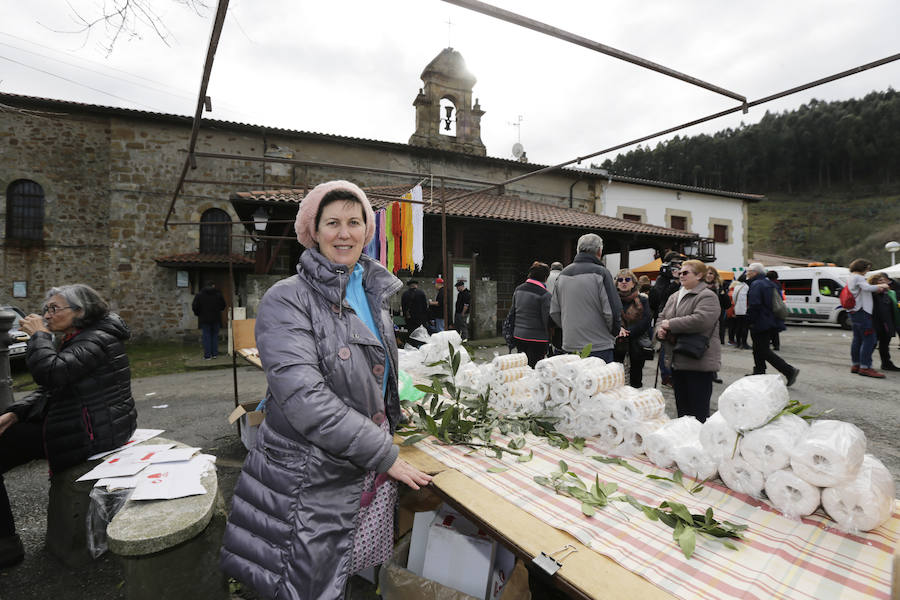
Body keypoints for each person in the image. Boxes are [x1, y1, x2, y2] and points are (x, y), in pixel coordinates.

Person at [220, 181, 432, 598]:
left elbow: (377, 365)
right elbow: (305, 398)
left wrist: (391, 408)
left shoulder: (373, 293)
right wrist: (383, 450)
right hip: (308, 475)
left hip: (361, 465)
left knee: (349, 577)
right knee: (305, 582)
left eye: (355, 222)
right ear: (312, 231)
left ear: (367, 232)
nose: (344, 233)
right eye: (332, 222)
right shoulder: (288, 299)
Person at [0, 284, 137, 567]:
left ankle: (6, 545)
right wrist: (15, 413)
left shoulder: (96, 339)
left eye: (54, 308)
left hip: (94, 430)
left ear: (81, 311)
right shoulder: (81, 336)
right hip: (82, 419)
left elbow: (52, 374)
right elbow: (57, 389)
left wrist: (39, 336)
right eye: (45, 309)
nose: (47, 314)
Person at [655, 260, 721, 422]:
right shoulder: (675, 295)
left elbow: (701, 320)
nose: (680, 275)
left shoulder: (707, 295)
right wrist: (660, 331)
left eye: (685, 272)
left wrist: (671, 324)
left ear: (699, 275)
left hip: (698, 362)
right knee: (682, 412)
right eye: (679, 272)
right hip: (677, 361)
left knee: (698, 413)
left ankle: (699, 445)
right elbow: (661, 317)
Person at [550, 233, 622, 362]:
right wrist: (613, 333)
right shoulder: (602, 273)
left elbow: (554, 311)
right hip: (599, 346)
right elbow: (611, 312)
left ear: (578, 250)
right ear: (599, 251)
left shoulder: (562, 275)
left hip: (570, 344)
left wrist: (569, 328)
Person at [745, 263, 800, 385]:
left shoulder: (756, 284)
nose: (746, 273)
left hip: (760, 320)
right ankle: (759, 371)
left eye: (748, 271)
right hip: (769, 320)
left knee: (763, 350)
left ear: (754, 272)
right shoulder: (768, 283)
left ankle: (789, 371)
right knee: (758, 348)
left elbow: (755, 305)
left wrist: (749, 320)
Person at [845, 258, 891, 378]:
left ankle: (856, 364)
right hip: (862, 311)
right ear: (863, 267)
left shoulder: (850, 277)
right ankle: (865, 367)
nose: (868, 271)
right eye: (868, 268)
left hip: (853, 311)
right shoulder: (858, 277)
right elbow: (867, 288)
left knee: (857, 339)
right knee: (869, 338)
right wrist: (882, 285)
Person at [508, 261, 552, 367]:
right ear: (545, 277)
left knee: (522, 366)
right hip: (537, 338)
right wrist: (550, 340)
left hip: (519, 335)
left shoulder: (518, 290)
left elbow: (512, 312)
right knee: (534, 368)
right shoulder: (544, 295)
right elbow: (547, 320)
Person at [613, 268, 651, 388]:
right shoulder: (612, 300)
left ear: (633, 283)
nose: (624, 282)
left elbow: (646, 320)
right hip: (617, 343)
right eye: (620, 280)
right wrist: (618, 330)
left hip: (637, 343)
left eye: (627, 279)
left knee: (636, 379)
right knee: (616, 378)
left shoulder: (643, 300)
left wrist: (629, 332)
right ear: (617, 283)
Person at [869, 272, 900, 371]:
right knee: (872, 344)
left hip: (887, 323)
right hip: (875, 323)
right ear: (874, 283)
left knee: (885, 344)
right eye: (880, 281)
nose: (883, 282)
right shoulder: (872, 294)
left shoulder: (889, 293)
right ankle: (864, 363)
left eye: (884, 280)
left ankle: (886, 363)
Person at [705, 266, 729, 384]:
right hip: (704, 320)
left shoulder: (719, 288)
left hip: (717, 321)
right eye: (707, 273)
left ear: (715, 276)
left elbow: (727, 305)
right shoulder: (699, 287)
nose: (709, 275)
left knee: (714, 348)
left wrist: (723, 292)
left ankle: (713, 373)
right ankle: (704, 372)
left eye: (711, 274)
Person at [192, 281, 226, 360]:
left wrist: (198, 314)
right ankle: (214, 354)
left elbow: (195, 306)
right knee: (215, 336)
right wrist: (218, 310)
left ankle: (207, 355)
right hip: (216, 318)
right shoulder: (218, 294)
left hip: (204, 319)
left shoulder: (199, 295)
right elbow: (223, 305)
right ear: (213, 286)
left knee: (206, 337)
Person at [766, 270, 784, 351]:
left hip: (771, 308)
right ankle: (776, 345)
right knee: (775, 328)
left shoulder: (769, 284)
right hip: (778, 307)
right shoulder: (778, 284)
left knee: (770, 327)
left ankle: (770, 343)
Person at [731, 273, 750, 349]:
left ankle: (738, 343)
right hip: (744, 309)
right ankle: (744, 343)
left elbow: (734, 298)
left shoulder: (736, 287)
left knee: (738, 327)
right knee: (744, 327)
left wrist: (736, 306)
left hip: (737, 309)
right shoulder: (746, 287)